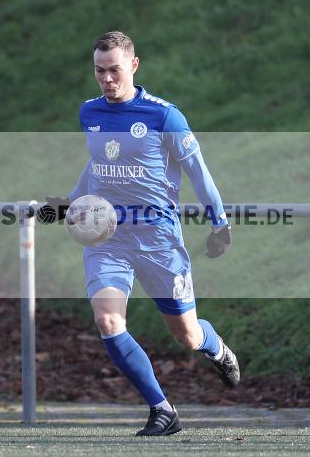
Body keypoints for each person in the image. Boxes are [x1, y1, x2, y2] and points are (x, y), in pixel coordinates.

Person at [40, 31, 239, 436]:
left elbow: (198, 173)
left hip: (159, 240)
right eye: (99, 71)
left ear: (134, 65)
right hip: (109, 239)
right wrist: (69, 202)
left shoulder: (165, 115)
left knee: (186, 334)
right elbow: (97, 165)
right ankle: (162, 410)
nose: (107, 79)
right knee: (108, 320)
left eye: (114, 70)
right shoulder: (89, 112)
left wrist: (220, 224)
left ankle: (215, 347)